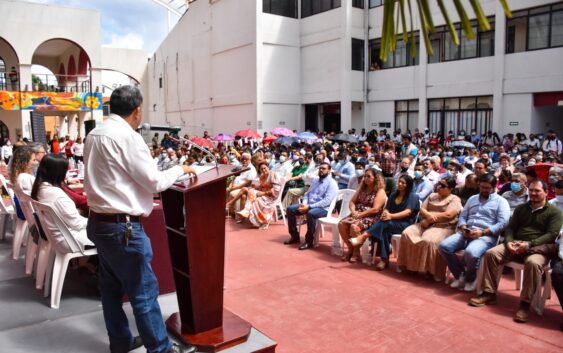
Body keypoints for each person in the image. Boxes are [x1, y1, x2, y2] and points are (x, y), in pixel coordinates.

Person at [83, 86, 197, 353]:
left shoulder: (94, 134)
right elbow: (154, 182)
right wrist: (182, 168)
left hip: (100, 222)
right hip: (123, 227)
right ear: (137, 111)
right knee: (143, 293)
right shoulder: (128, 137)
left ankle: (120, 343)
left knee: (111, 290)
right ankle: (160, 349)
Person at [468, 179, 562, 323]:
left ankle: (525, 304)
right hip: (515, 243)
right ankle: (489, 293)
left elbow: (551, 235)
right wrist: (509, 242)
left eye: (537, 190)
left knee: (533, 263)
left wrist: (529, 244)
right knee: (491, 254)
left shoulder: (555, 212)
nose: (533, 193)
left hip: (537, 248)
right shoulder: (521, 208)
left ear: (546, 192)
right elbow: (511, 228)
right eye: (531, 190)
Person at [439, 174, 510, 292]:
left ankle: (471, 278)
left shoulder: (501, 202)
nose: (484, 190)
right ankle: (460, 274)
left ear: (493, 188)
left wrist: (483, 232)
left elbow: (503, 223)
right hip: (466, 233)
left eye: (487, 188)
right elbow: (463, 216)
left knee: (471, 253)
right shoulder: (472, 199)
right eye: (482, 187)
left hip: (486, 236)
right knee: (444, 246)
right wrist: (463, 227)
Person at [397, 177, 463, 281]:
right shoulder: (432, 195)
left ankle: (431, 271)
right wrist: (429, 217)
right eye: (439, 184)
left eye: (443, 186)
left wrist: (430, 220)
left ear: (450, 189)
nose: (439, 187)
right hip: (424, 223)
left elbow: (449, 215)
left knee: (428, 240)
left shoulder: (455, 199)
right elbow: (422, 209)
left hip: (443, 227)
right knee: (407, 233)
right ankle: (411, 266)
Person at [352, 175, 420, 270]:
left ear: (408, 185)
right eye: (399, 181)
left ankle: (364, 236)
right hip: (390, 222)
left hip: (405, 224)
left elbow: (407, 212)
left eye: (403, 183)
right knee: (384, 230)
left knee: (385, 224)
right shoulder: (393, 195)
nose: (400, 184)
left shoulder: (413, 196)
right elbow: (387, 209)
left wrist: (390, 216)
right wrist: (386, 214)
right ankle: (384, 259)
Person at [31, 153, 93, 250]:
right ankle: (91, 264)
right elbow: (77, 224)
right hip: (69, 239)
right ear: (58, 173)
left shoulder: (41, 188)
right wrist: (97, 221)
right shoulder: (57, 195)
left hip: (57, 236)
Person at [283, 162, 338, 250]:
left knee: (311, 213)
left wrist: (309, 207)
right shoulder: (316, 180)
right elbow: (307, 194)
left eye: (323, 169)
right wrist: (305, 203)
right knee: (290, 209)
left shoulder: (332, 183)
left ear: (329, 170)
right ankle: (294, 236)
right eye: (320, 168)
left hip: (323, 208)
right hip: (308, 205)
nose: (321, 170)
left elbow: (327, 201)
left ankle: (309, 241)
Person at [338, 169, 387, 263]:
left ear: (375, 178)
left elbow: (375, 209)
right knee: (341, 224)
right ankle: (351, 249)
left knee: (354, 226)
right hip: (357, 214)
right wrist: (353, 211)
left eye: (369, 176)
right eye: (365, 176)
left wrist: (360, 215)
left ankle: (356, 252)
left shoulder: (380, 191)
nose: (365, 178)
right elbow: (352, 202)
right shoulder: (362, 189)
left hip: (372, 217)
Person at [227, 162, 281, 229]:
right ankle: (243, 214)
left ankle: (233, 204)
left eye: (265, 168)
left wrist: (264, 193)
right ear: (260, 170)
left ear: (268, 167)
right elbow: (261, 187)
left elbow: (276, 190)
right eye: (261, 169)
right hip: (261, 193)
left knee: (249, 191)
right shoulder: (262, 176)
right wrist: (256, 187)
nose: (264, 170)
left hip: (269, 196)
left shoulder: (273, 175)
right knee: (244, 195)